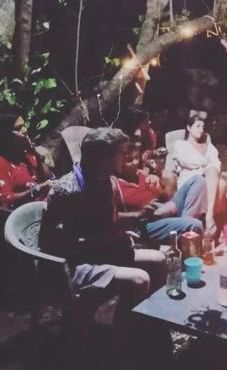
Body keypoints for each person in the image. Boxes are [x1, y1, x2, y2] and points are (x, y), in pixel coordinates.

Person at [40, 128, 167, 361]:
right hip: (74, 266)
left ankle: (140, 325)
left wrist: (138, 215)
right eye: (122, 153)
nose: (127, 157)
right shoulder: (69, 190)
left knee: (159, 260)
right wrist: (104, 242)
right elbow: (50, 243)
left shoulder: (105, 182)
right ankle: (120, 345)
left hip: (102, 253)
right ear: (105, 158)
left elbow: (110, 222)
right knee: (139, 279)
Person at [113, 142, 205, 241]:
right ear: (120, 162)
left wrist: (159, 188)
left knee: (198, 180)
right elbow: (111, 216)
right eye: (129, 160)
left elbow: (164, 197)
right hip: (143, 223)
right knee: (195, 224)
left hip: (161, 209)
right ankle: (187, 228)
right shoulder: (115, 183)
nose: (135, 162)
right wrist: (138, 214)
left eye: (136, 158)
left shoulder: (142, 174)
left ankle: (185, 228)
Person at [173, 112, 226, 234]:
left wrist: (207, 167)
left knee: (220, 180)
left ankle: (209, 216)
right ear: (188, 127)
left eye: (203, 127)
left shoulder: (208, 145)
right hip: (190, 182)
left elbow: (217, 164)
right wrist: (206, 165)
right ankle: (210, 222)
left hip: (209, 180)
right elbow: (189, 162)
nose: (201, 130)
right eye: (197, 126)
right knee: (215, 176)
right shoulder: (180, 145)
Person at [0, 112, 52, 209]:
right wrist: (37, 189)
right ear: (5, 133)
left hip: (44, 205)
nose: (24, 130)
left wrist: (34, 152)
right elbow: (5, 200)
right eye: (18, 128)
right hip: (23, 214)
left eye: (23, 126)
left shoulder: (27, 154)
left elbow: (47, 177)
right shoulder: (2, 162)